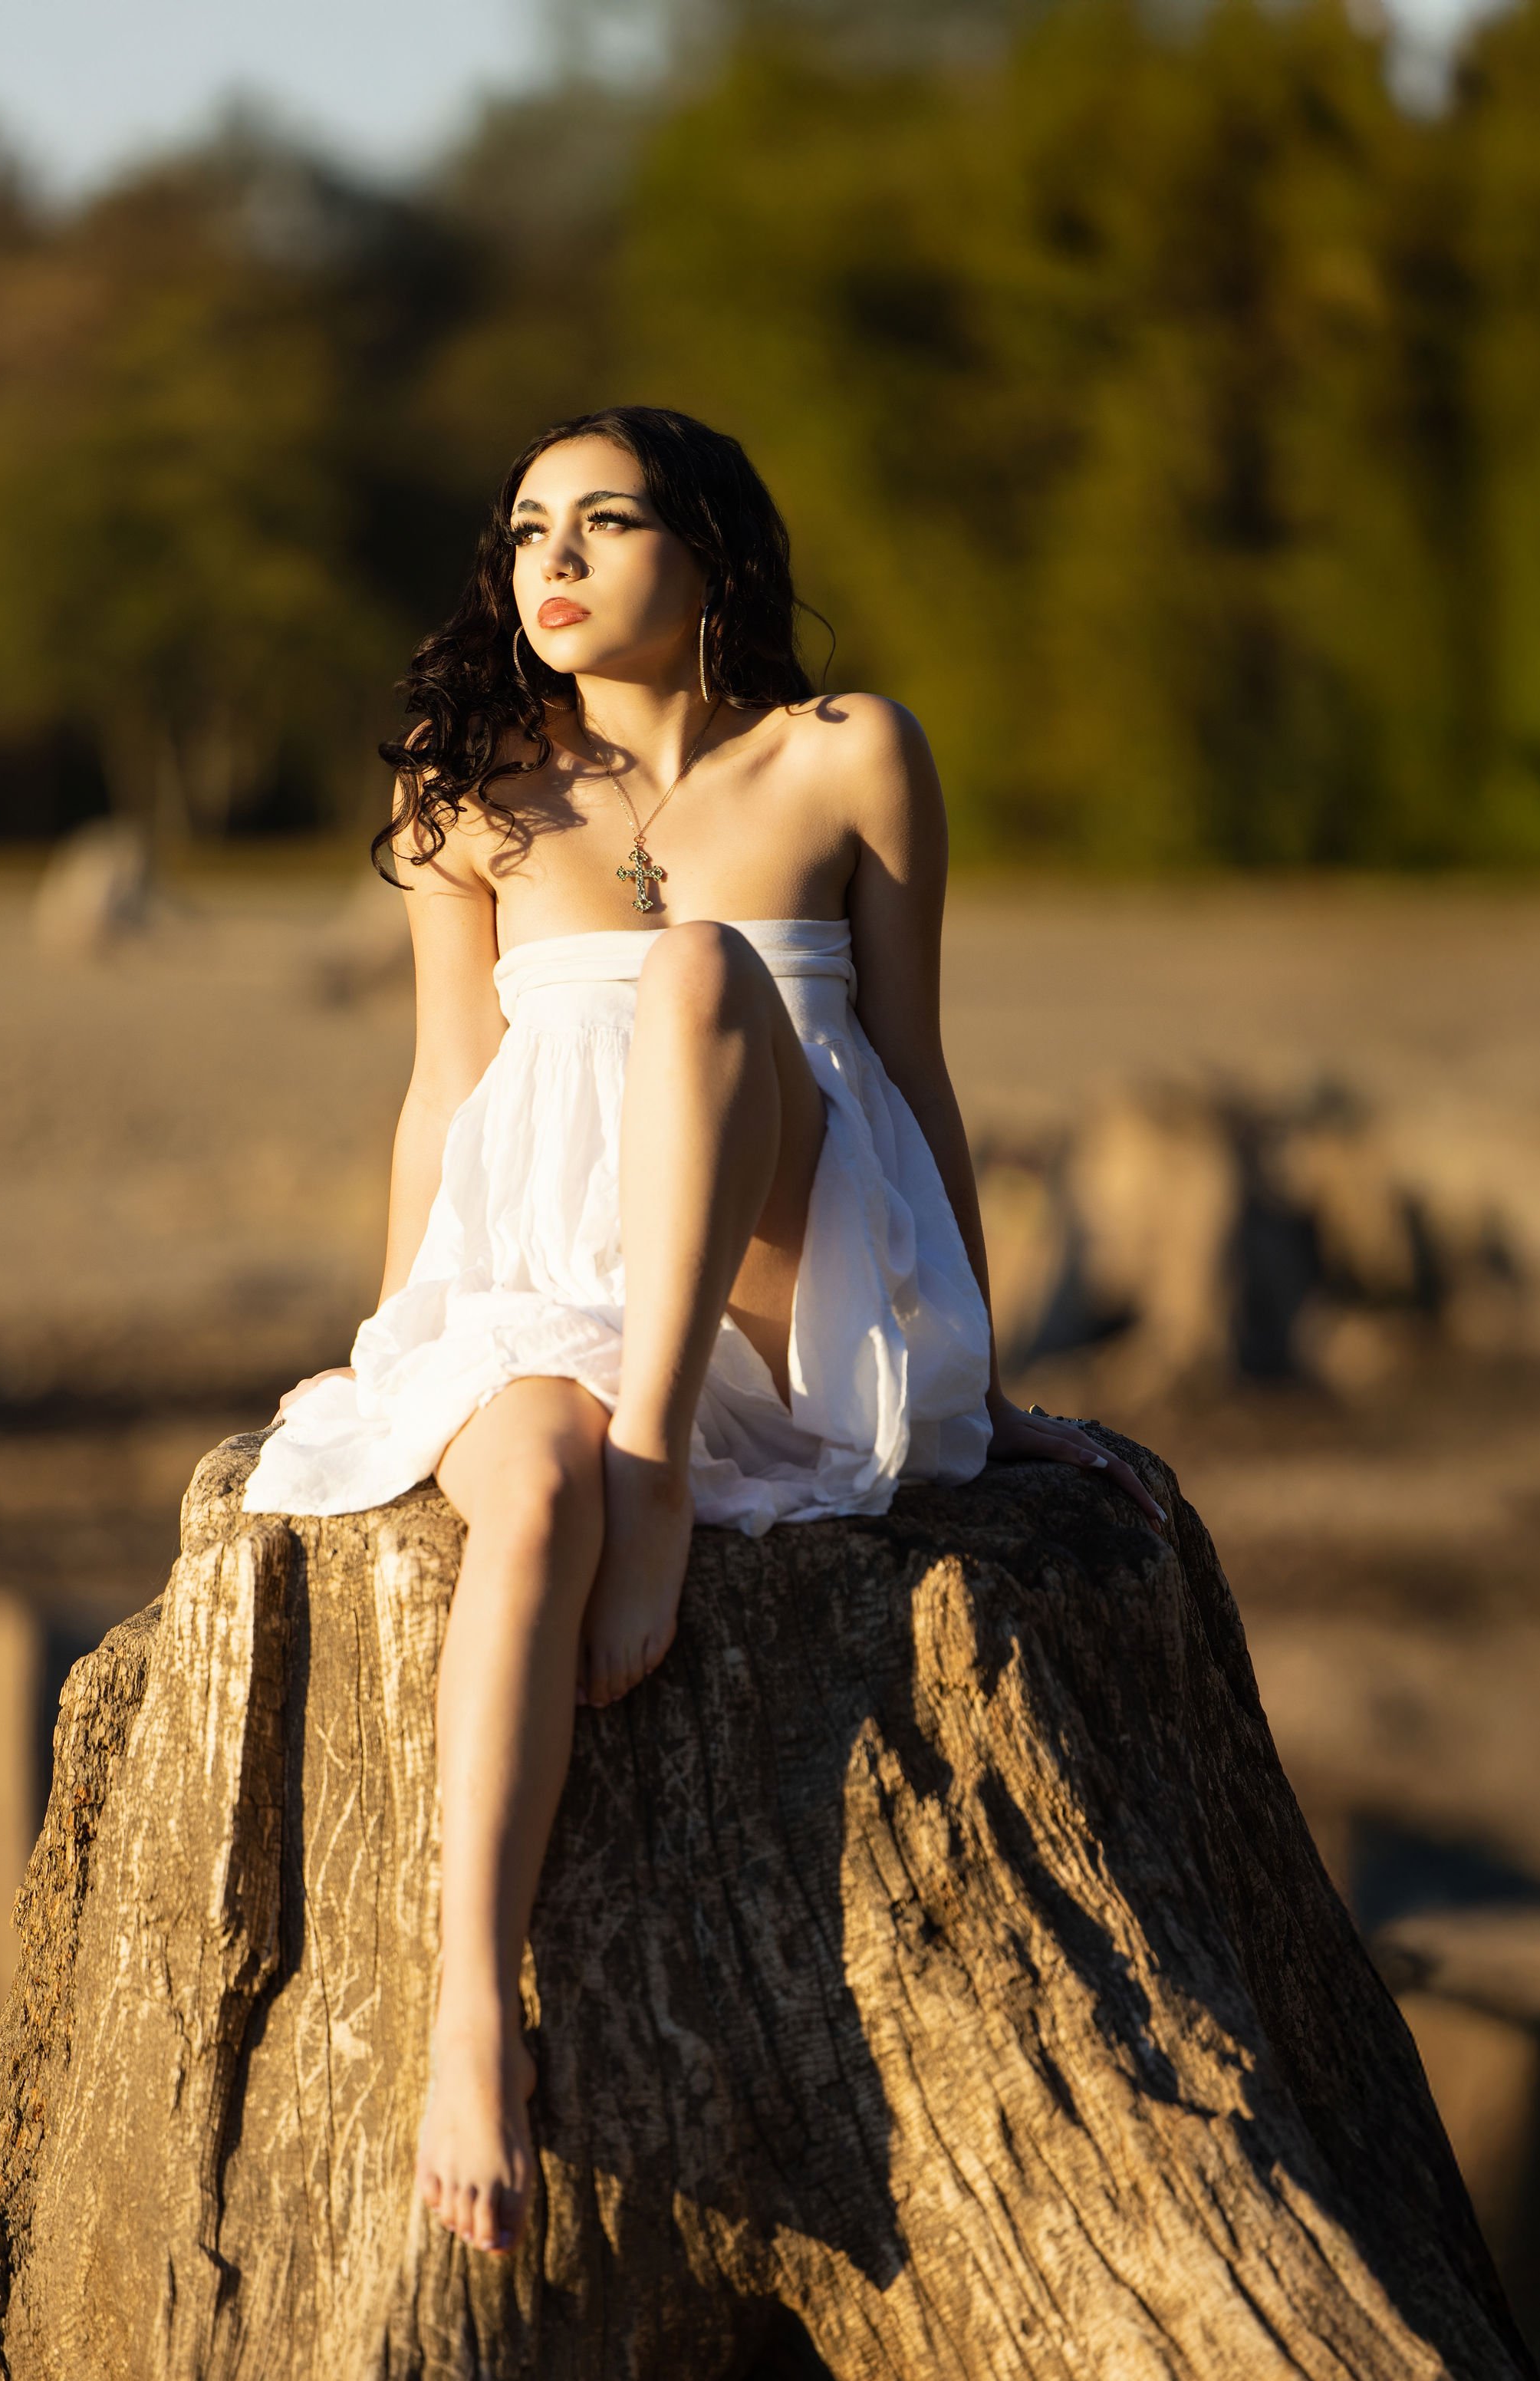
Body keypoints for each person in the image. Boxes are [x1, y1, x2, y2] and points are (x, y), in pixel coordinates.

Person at [244, 406, 1160, 2261]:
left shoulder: (844, 757)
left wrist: (969, 1368)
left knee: (696, 968)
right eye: (522, 535)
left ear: (713, 555)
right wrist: (407, 1332)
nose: (551, 565)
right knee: (519, 1508)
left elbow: (910, 1068)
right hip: (548, 1282)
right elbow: (444, 1094)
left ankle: (652, 1452)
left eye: (602, 523)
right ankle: (469, 2023)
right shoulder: (471, 797)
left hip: (776, 1280)